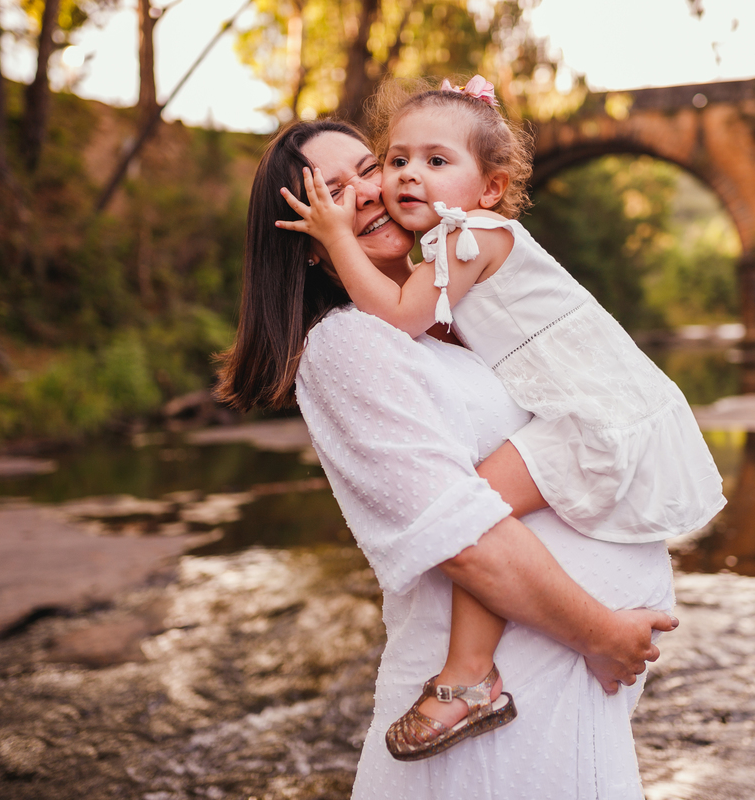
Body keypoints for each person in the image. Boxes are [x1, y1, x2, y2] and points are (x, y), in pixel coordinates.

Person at [217, 118, 679, 798]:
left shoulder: (460, 300)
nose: (368, 191)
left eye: (369, 168)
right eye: (334, 192)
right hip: (497, 710)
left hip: (556, 684)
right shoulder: (347, 344)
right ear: (309, 241)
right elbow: (460, 536)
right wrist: (601, 632)